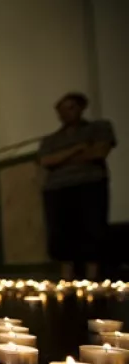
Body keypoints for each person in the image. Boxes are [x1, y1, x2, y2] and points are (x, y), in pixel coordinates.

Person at [38, 92, 116, 281]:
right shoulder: (50, 140)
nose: (66, 113)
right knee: (61, 233)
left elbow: (99, 152)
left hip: (89, 184)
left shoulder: (98, 128)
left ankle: (92, 277)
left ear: (81, 107)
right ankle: (67, 277)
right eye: (61, 110)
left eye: (71, 107)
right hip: (57, 189)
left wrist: (61, 159)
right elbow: (46, 160)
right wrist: (76, 148)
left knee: (92, 228)